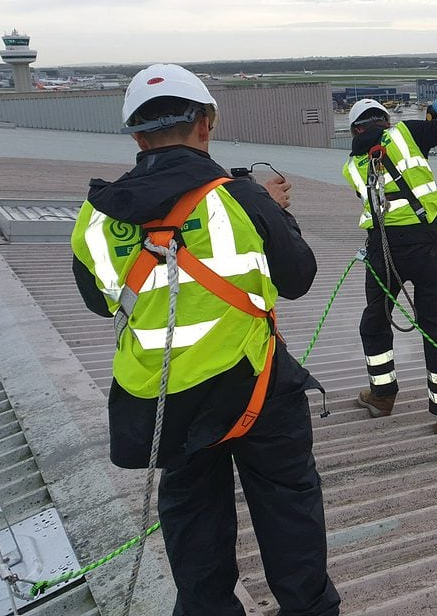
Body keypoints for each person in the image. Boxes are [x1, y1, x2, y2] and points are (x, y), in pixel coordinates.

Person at [70, 64, 341, 616]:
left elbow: (100, 304)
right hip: (257, 389)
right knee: (288, 511)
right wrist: (272, 213)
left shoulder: (96, 219)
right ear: (206, 125)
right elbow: (299, 278)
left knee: (193, 524)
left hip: (165, 401)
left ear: (138, 138)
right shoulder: (242, 199)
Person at [342, 96, 437, 433]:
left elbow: (386, 184)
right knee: (436, 327)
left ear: (356, 129)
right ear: (385, 121)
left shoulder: (350, 166)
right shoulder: (405, 134)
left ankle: (381, 397)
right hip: (426, 248)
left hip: (382, 250)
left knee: (375, 322)